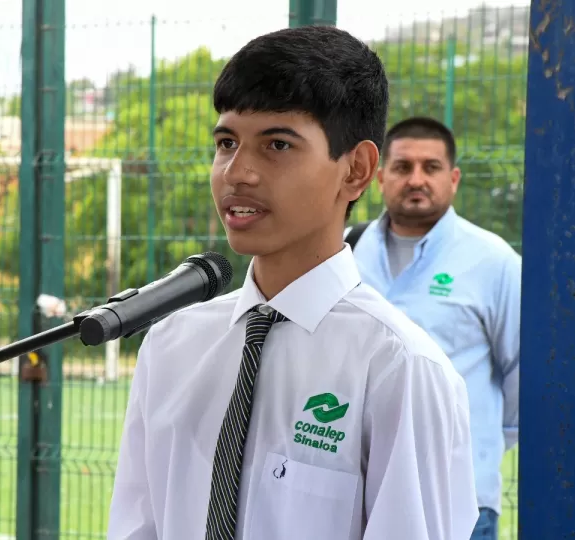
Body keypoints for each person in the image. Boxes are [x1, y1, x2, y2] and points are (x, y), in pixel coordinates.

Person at [107, 26, 478, 540]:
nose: (237, 173)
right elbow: (136, 526)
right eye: (226, 142)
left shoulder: (398, 368)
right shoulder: (172, 345)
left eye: (277, 144)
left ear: (356, 169)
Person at [348, 116, 521, 540]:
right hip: (352, 493)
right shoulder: (343, 252)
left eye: (431, 167)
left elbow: (522, 382)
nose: (416, 179)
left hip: (459, 500)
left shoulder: (493, 262)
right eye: (403, 167)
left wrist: (465, 442)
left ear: (454, 178)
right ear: (380, 176)